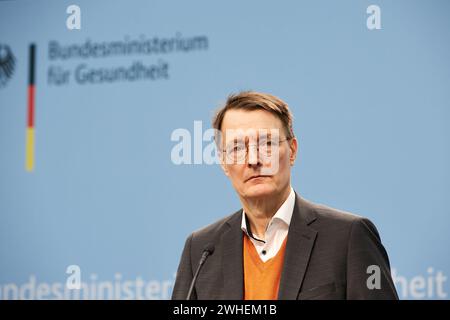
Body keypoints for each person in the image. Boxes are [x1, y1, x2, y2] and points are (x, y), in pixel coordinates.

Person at [172, 91, 398, 300]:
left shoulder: (349, 236)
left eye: (267, 143)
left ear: (292, 151)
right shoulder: (200, 249)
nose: (253, 160)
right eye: (237, 148)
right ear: (223, 162)